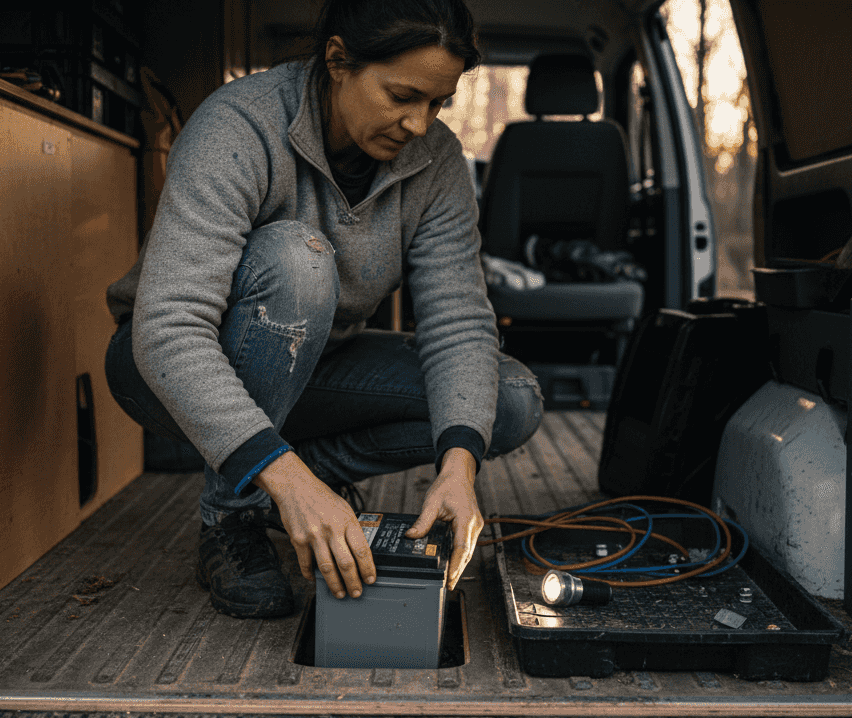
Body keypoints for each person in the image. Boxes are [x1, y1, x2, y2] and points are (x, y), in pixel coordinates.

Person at [104, 0, 543, 619]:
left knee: (511, 398)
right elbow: (168, 328)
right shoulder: (240, 125)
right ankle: (234, 516)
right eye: (402, 96)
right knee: (298, 260)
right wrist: (288, 483)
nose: (419, 123)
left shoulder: (435, 160)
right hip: (161, 370)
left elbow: (459, 322)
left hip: (315, 369)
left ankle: (282, 480)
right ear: (338, 60)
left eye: (437, 103)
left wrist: (459, 468)